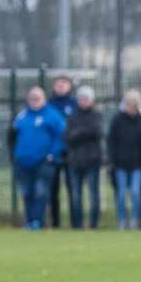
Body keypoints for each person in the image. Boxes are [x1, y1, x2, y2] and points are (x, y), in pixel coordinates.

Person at [12, 86, 66, 230]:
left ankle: (37, 221)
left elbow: (61, 136)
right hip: (23, 161)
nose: (34, 100)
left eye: (37, 97)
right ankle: (29, 221)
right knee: (27, 192)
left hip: (43, 161)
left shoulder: (52, 115)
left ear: (44, 98)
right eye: (32, 97)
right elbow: (12, 135)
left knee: (40, 192)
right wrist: (15, 155)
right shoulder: (22, 115)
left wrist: (51, 154)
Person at [109, 89, 141, 231]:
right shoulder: (117, 120)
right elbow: (111, 141)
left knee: (135, 191)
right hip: (120, 164)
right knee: (121, 193)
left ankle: (134, 220)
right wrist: (112, 161)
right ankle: (121, 220)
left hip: (137, 164)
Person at [63, 86, 104, 229]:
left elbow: (97, 133)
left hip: (92, 161)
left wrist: (79, 132)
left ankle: (94, 224)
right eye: (81, 98)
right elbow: (68, 137)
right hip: (74, 162)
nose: (83, 101)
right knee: (75, 195)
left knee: (93, 195)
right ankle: (77, 224)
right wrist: (86, 132)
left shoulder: (97, 116)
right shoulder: (72, 117)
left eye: (86, 98)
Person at [46, 75, 78, 229]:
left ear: (69, 86)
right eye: (58, 84)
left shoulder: (74, 104)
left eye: (64, 84)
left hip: (71, 153)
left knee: (73, 189)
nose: (61, 86)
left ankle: (75, 223)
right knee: (53, 190)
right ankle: (56, 223)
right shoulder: (48, 105)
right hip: (53, 153)